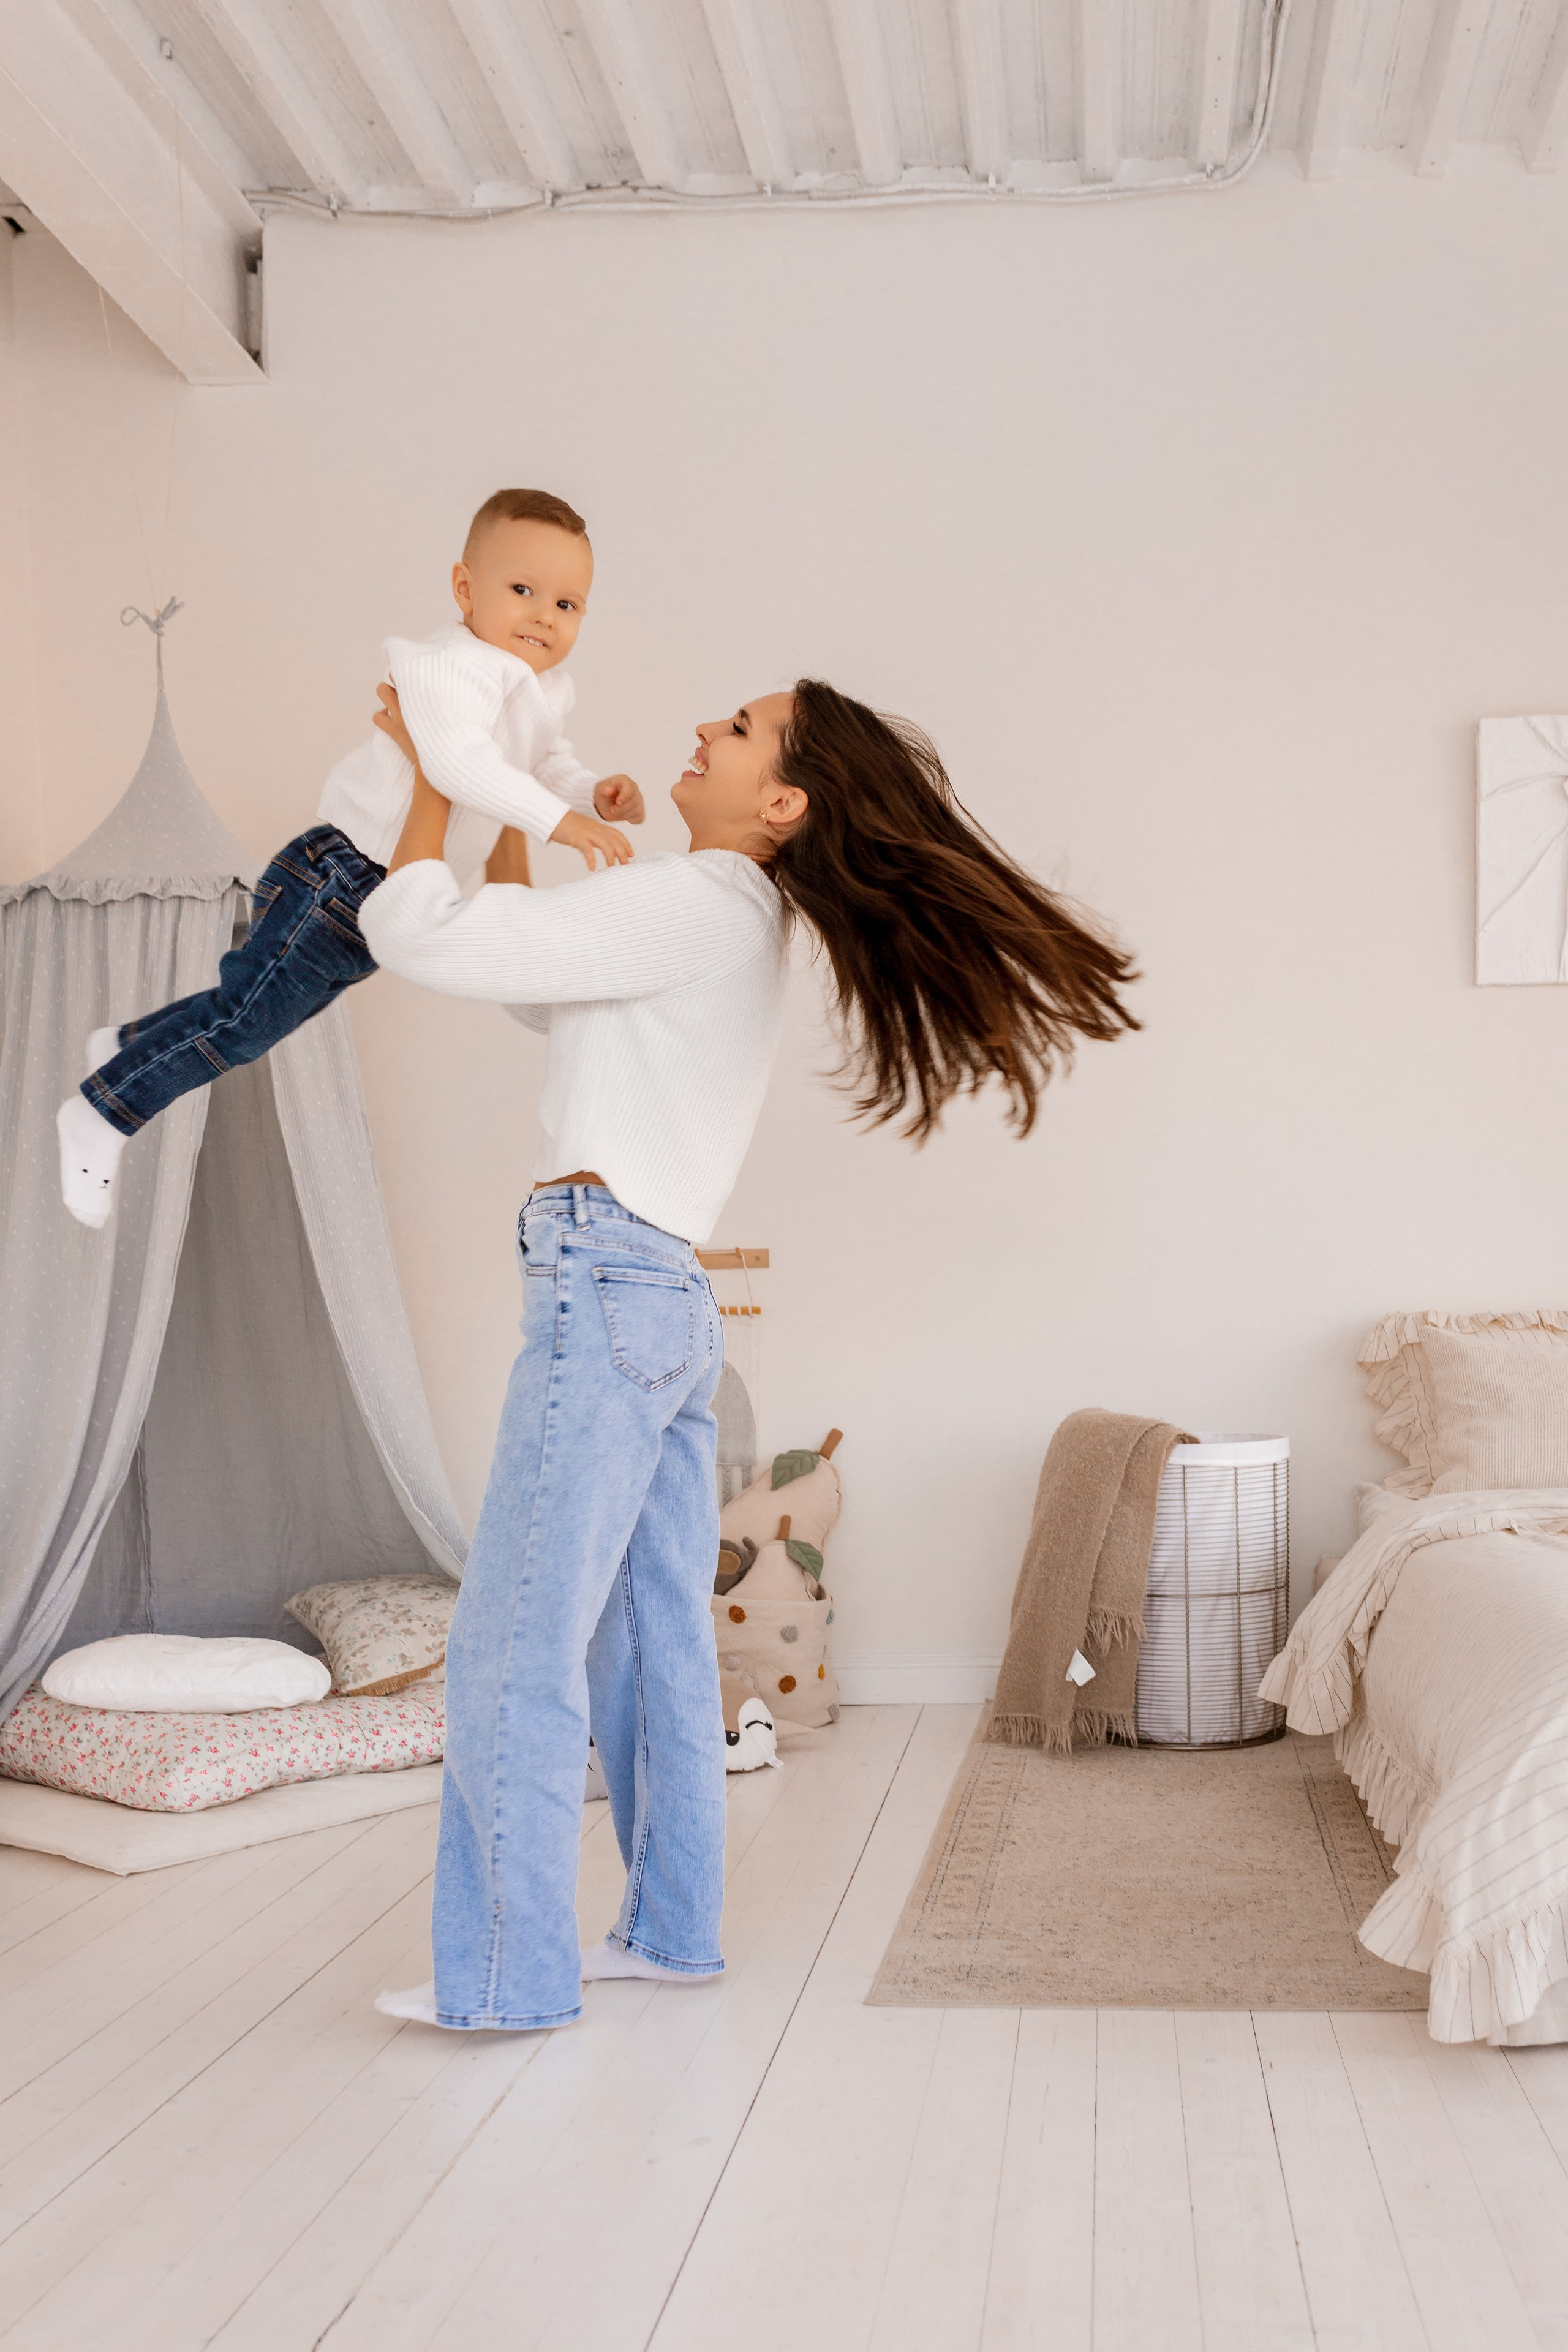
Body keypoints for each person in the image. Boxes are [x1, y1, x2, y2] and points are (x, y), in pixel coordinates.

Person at [361, 677, 1139, 2031]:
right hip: (657, 1294)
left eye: (735, 728)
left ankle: (505, 1982)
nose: (701, 730)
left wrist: (435, 766)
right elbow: (534, 991)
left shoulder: (696, 899)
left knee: (514, 1642)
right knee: (649, 1639)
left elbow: (419, 938)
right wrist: (504, 823)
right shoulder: (725, 917)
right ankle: (669, 1933)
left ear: (779, 801)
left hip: (603, 1283)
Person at [55, 487, 643, 1228]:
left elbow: (543, 761)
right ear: (465, 588)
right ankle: (103, 1110)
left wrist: (594, 792)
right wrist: (563, 825)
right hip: (340, 874)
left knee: (256, 1014)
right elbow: (460, 767)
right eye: (522, 590)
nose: (542, 616)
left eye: (567, 604)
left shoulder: (541, 688)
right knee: (244, 1024)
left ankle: (127, 1043)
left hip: (378, 896)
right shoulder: (450, 666)